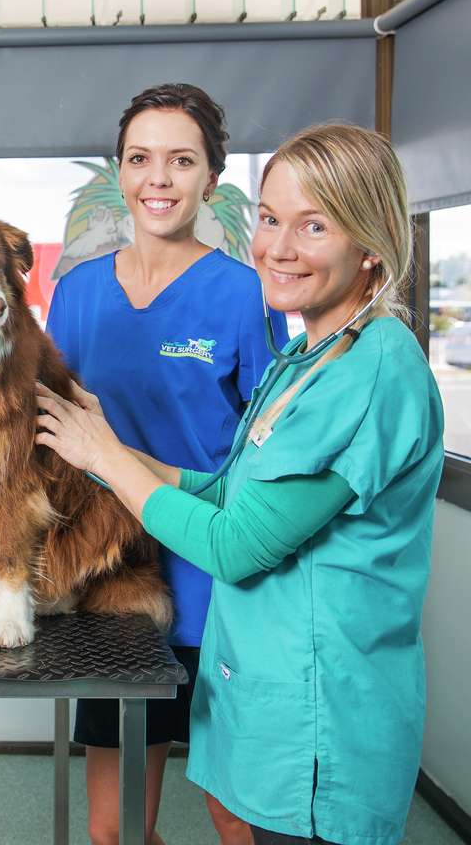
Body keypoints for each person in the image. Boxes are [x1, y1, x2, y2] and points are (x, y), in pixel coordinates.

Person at [36, 122, 445, 845]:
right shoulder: (310, 357)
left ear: (371, 244)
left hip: (318, 703)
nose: (279, 247)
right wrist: (114, 444)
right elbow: (230, 486)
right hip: (253, 662)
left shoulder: (370, 372)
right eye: (270, 219)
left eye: (314, 226)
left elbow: (235, 543)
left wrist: (105, 458)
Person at [40, 83, 288, 845]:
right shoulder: (77, 294)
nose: (159, 178)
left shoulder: (249, 296)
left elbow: (271, 454)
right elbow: (48, 435)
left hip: (219, 587)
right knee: (114, 833)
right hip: (116, 590)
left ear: (210, 177)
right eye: (141, 159)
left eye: (181, 161)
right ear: (119, 172)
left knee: (238, 821)